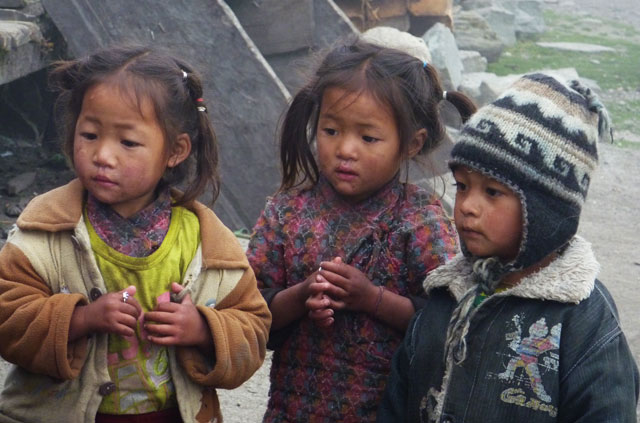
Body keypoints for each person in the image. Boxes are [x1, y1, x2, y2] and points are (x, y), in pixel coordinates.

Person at [0, 45, 271, 423]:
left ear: (175, 150)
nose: (103, 156)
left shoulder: (205, 242)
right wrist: (80, 319)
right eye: (90, 134)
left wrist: (203, 329)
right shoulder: (44, 230)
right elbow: (7, 316)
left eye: (128, 142)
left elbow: (253, 329)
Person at [378, 73, 640, 422]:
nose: (468, 206)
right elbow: (399, 401)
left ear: (545, 210)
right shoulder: (445, 298)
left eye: (492, 192)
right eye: (463, 186)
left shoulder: (584, 319)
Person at [246, 38, 477, 422]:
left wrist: (370, 298)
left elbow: (446, 325)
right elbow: (247, 313)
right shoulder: (287, 212)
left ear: (410, 144)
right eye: (331, 130)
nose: (345, 149)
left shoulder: (420, 220)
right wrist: (301, 295)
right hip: (292, 411)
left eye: (368, 137)